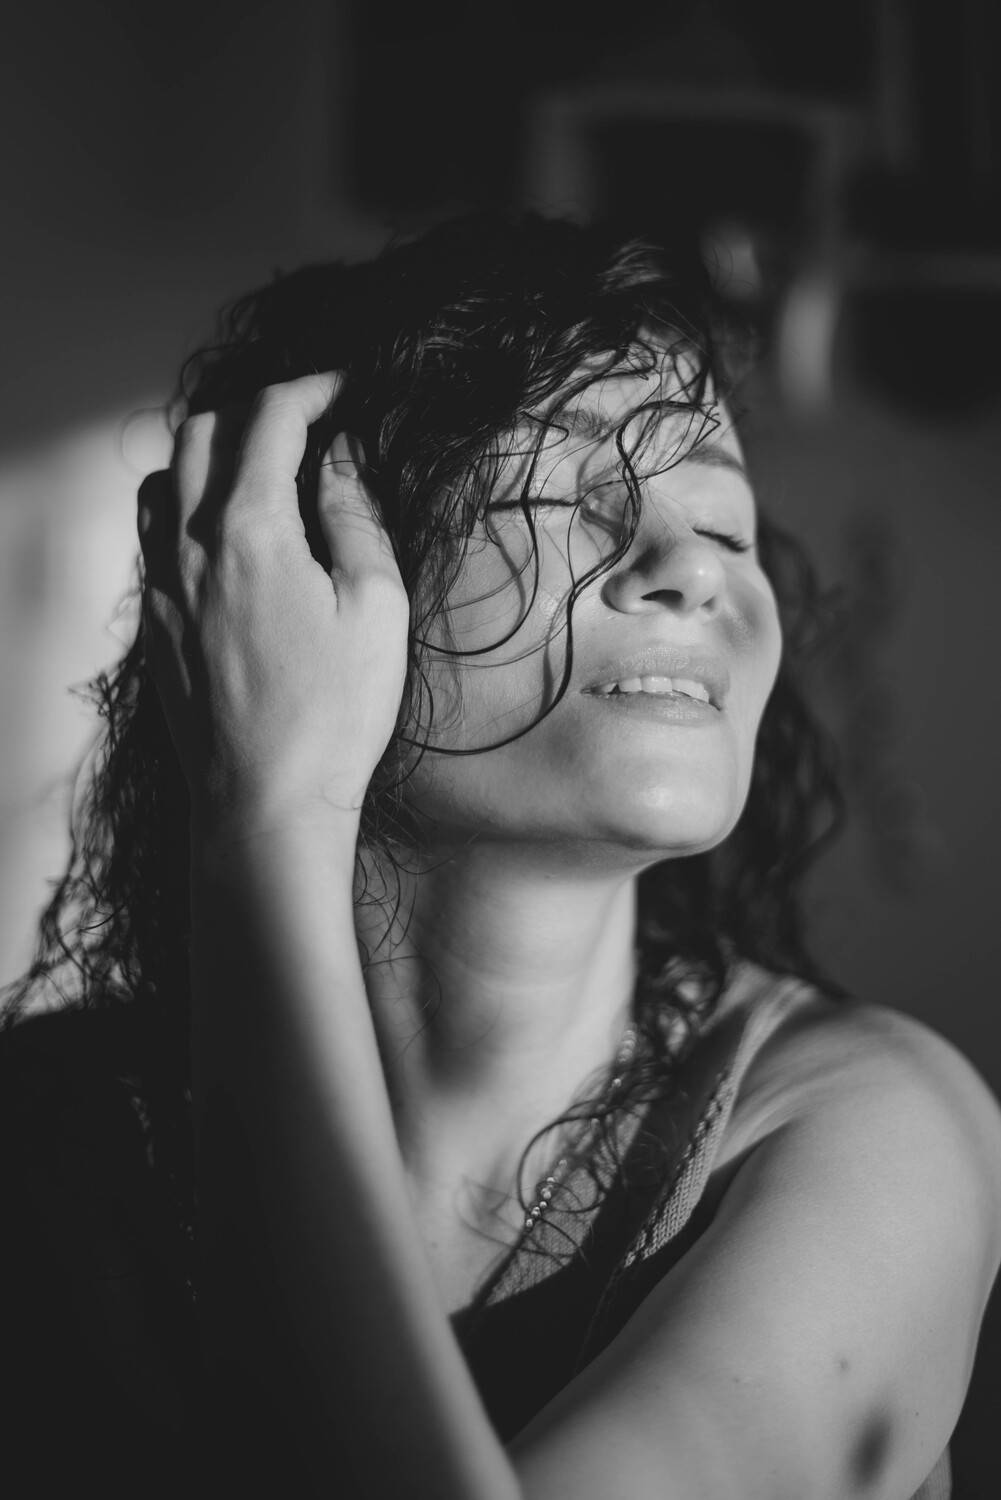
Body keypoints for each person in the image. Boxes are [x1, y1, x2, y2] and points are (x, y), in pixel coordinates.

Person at [2, 213, 999, 1500]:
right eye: (571, 499)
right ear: (288, 583)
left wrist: (270, 816)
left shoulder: (875, 1131)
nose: (695, 571)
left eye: (727, 526)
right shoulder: (48, 1152)